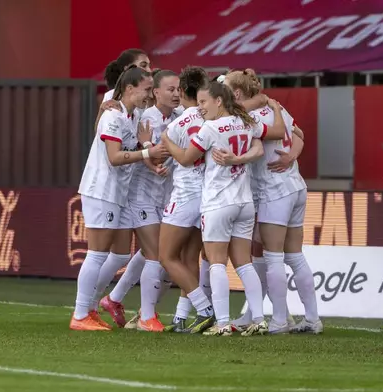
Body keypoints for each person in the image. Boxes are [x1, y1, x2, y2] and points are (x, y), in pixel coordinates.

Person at [161, 82, 287, 336]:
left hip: (218, 202)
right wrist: (239, 159)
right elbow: (263, 144)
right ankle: (260, 319)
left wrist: (165, 139)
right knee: (244, 264)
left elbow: (186, 159)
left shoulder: (210, 128)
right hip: (244, 202)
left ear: (219, 101)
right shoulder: (244, 121)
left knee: (217, 263)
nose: (200, 108)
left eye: (204, 102)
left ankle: (222, 323)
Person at [223, 69, 322, 334]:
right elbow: (299, 134)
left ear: (236, 93)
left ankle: (280, 319)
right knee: (294, 256)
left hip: (272, 191)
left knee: (273, 256)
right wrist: (292, 156)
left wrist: (288, 156)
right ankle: (310, 319)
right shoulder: (278, 108)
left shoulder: (248, 118)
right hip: (295, 185)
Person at [71, 65, 166, 331]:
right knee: (97, 253)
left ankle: (90, 308)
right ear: (129, 88)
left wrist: (144, 148)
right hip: (102, 189)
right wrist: (148, 153)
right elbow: (114, 157)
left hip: (118, 192)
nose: (149, 96)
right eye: (147, 90)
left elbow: (128, 149)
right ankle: (80, 313)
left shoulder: (132, 115)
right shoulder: (113, 116)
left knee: (121, 254)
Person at [106, 70, 182, 332]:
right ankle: (146, 317)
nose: (175, 94)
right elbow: (147, 154)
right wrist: (150, 154)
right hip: (141, 195)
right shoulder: (144, 117)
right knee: (157, 255)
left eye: (178, 89)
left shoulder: (181, 117)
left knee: (166, 258)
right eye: (169, 89)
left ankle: (115, 299)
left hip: (167, 196)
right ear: (156, 92)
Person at [158, 66, 213, 333]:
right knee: (190, 257)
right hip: (208, 195)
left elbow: (162, 155)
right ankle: (181, 317)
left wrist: (159, 140)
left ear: (182, 90)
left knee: (166, 256)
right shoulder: (211, 118)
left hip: (185, 195)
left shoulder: (177, 124)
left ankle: (205, 309)